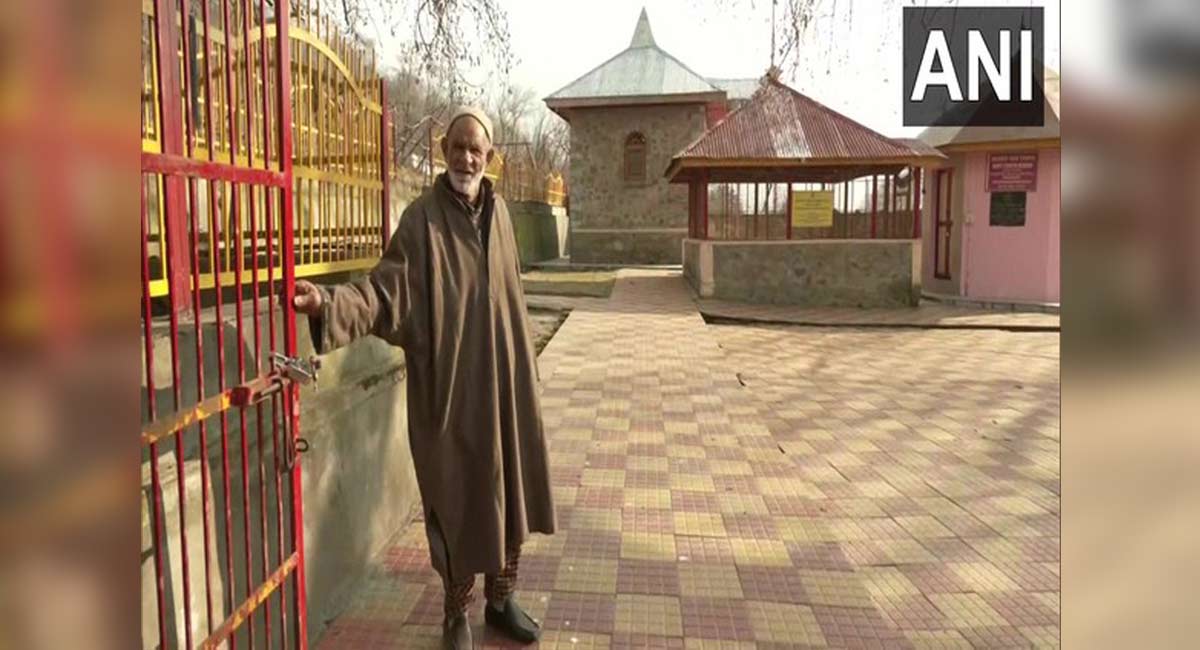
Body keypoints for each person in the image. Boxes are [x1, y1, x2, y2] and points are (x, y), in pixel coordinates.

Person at [292, 107, 555, 649]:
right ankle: (455, 615)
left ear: (489, 158)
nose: (465, 158)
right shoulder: (422, 220)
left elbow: (509, 301)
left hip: (505, 391)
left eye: (475, 150)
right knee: (456, 504)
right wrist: (329, 304)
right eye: (457, 147)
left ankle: (501, 600)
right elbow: (382, 293)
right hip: (452, 395)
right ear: (443, 151)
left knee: (510, 496)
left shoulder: (501, 216)